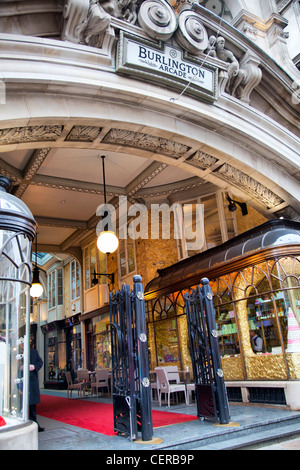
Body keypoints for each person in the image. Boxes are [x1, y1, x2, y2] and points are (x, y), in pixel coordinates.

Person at [29, 348, 44, 432]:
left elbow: (40, 362)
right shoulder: (17, 352)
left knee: (32, 405)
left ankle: (34, 423)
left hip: (32, 381)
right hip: (22, 381)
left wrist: (34, 367)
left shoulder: (34, 352)